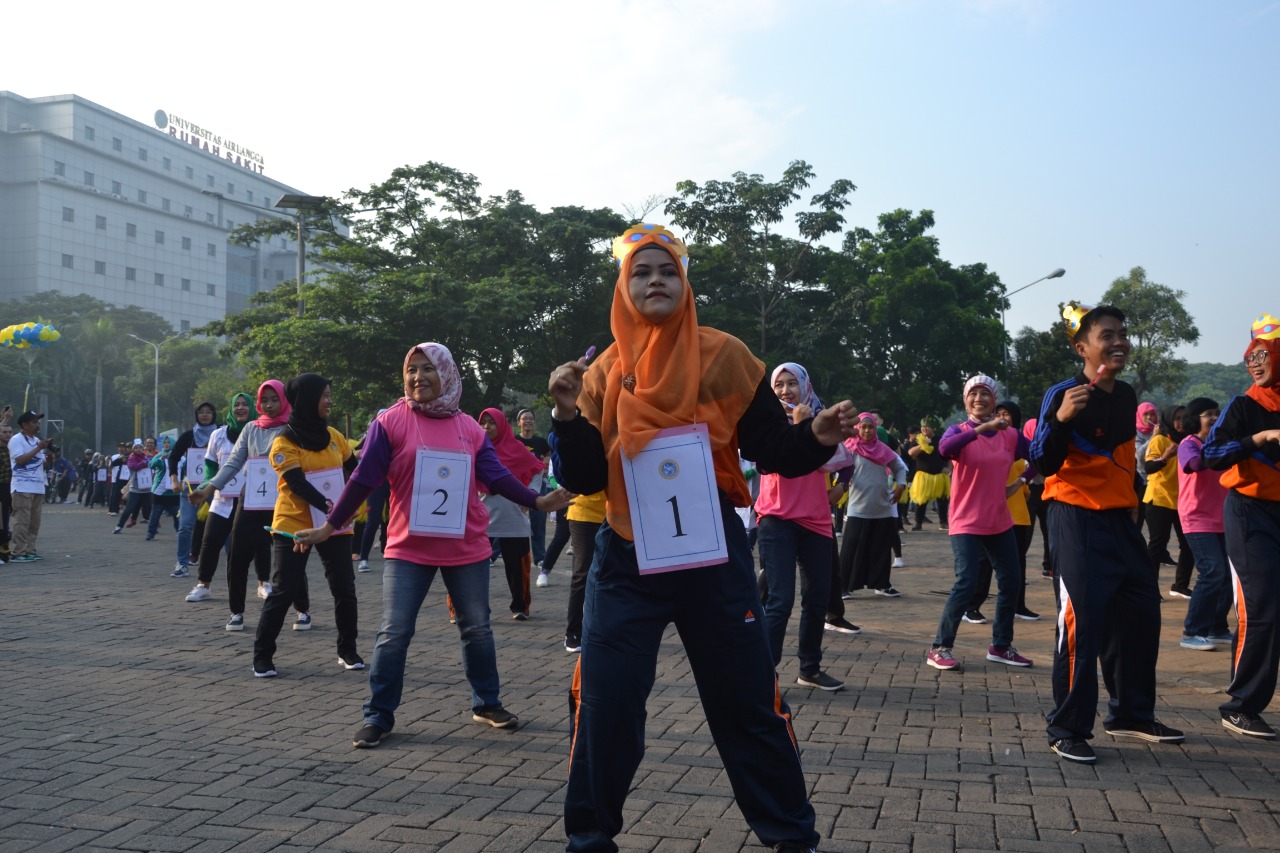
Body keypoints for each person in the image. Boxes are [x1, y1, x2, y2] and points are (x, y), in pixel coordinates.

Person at [548, 223, 857, 853]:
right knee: (605, 704)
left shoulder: (726, 356)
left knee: (746, 704)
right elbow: (582, 477)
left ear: (685, 282)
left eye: (667, 270)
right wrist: (565, 414)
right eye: (642, 272)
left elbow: (772, 449)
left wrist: (816, 437)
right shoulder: (601, 373)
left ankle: (792, 836)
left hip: (711, 551)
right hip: (625, 556)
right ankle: (588, 837)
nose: (656, 280)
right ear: (623, 287)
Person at [294, 343, 573, 746]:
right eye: (412, 370)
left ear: (447, 374)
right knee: (394, 632)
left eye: (428, 369)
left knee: (477, 629)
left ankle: (487, 703)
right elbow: (363, 480)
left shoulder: (470, 428)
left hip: (466, 548)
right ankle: (378, 715)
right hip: (409, 548)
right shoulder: (390, 422)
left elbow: (496, 476)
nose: (418, 377)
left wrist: (538, 501)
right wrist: (331, 525)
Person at [1030, 302, 1184, 764]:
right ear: (1083, 347)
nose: (1118, 342)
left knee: (1140, 615)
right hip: (1074, 516)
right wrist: (1059, 420)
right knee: (1081, 622)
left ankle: (1131, 714)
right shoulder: (1064, 392)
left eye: (1122, 334)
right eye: (1107, 335)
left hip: (1121, 520)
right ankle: (1067, 727)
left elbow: (1124, 462)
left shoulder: (1127, 393)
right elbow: (1042, 459)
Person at [252, 374, 360, 677]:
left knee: (344, 589)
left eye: (330, 394)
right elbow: (296, 483)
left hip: (335, 524)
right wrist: (331, 506)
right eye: (324, 395)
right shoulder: (283, 441)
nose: (329, 401)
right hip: (294, 524)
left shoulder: (335, 436)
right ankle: (262, 656)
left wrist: (347, 507)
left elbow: (355, 470)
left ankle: (347, 650)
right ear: (307, 400)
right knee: (284, 590)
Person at [1203, 313, 1280, 739]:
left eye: (1264, 355)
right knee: (1262, 606)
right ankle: (1242, 705)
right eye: (1251, 356)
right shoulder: (1245, 405)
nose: (1255, 363)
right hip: (1250, 513)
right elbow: (1210, 455)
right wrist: (1258, 439)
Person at [926, 377, 1036, 672]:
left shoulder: (1010, 435)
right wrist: (981, 429)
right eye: (972, 393)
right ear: (965, 401)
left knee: (1012, 581)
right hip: (965, 520)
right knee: (967, 582)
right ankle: (940, 648)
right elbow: (944, 450)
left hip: (999, 520)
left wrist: (1021, 480)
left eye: (984, 393)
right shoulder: (958, 431)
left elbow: (1038, 455)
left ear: (994, 399)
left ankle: (1001, 646)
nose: (978, 398)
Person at [758, 361, 849, 692]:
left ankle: (810, 669)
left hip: (817, 520)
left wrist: (841, 486)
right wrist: (799, 430)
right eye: (779, 385)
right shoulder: (767, 426)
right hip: (776, 518)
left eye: (791, 383)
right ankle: (763, 675)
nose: (785, 390)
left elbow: (841, 459)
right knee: (780, 600)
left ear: (805, 386)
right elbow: (773, 463)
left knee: (818, 597)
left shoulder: (822, 420)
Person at [190, 380, 292, 631]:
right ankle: (236, 611)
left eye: (274, 399)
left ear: (284, 400)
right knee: (237, 555)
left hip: (284, 500)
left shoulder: (293, 429)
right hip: (251, 499)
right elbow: (233, 463)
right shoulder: (251, 429)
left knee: (289, 557)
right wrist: (209, 488)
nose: (269, 405)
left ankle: (302, 609)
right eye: (264, 400)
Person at [184, 392, 256, 604]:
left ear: (252, 408)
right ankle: (203, 585)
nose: (241, 408)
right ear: (231, 408)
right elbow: (210, 467)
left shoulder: (258, 432)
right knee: (210, 540)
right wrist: (206, 486)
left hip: (250, 500)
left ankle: (262, 584)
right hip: (221, 499)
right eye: (237, 405)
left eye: (245, 404)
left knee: (249, 546)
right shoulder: (218, 435)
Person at [1175, 396, 1233, 651]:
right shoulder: (1189, 444)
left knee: (1229, 575)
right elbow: (1194, 464)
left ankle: (1217, 628)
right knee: (1213, 571)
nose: (1214, 417)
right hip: (1196, 517)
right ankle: (1192, 631)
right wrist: (1221, 449)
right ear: (1194, 419)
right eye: (1209, 414)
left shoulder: (1220, 444)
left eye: (1217, 413)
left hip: (1223, 517)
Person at [478, 408, 546, 620]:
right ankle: (464, 608)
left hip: (513, 516)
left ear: (502, 425)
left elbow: (538, 469)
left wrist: (531, 495)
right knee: (469, 568)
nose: (487, 427)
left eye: (492, 423)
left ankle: (520, 606)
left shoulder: (517, 448)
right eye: (483, 423)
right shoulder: (475, 448)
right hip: (480, 518)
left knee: (518, 567)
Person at [837, 413, 908, 598]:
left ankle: (882, 584)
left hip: (882, 507)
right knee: (850, 549)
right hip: (858, 508)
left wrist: (901, 485)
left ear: (875, 429)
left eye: (870, 427)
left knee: (881, 548)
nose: (867, 430)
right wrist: (843, 481)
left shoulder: (883, 450)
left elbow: (900, 468)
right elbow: (837, 468)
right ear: (858, 428)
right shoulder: (850, 448)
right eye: (864, 427)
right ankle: (842, 586)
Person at [1143, 405, 1195, 596]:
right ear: (1168, 420)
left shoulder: (1189, 441)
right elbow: (1148, 467)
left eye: (1184, 418)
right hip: (1159, 499)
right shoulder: (1160, 440)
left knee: (1188, 544)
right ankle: (1149, 588)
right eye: (1177, 418)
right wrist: (1166, 456)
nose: (1181, 422)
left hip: (1181, 500)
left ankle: (1180, 586)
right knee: (1157, 545)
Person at [170, 402, 218, 578]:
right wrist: (174, 479)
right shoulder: (188, 436)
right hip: (191, 487)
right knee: (185, 525)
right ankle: (182, 564)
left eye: (209, 412)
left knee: (225, 524)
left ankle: (235, 564)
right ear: (196, 415)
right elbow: (173, 458)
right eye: (201, 412)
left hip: (215, 486)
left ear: (214, 414)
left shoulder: (220, 434)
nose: (205, 415)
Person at [8, 411, 51, 562]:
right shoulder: (16, 440)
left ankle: (30, 550)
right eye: (34, 422)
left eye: (37, 422)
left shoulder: (35, 440)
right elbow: (20, 460)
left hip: (38, 486)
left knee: (34, 521)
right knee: (21, 520)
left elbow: (42, 463)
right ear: (24, 425)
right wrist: (39, 448)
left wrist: (50, 454)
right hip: (22, 487)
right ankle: (18, 551)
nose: (37, 425)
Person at [516, 408, 552, 571]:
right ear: (519, 423)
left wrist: (544, 466)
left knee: (538, 522)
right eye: (525, 418)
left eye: (531, 418)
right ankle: (495, 554)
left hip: (538, 485)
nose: (528, 421)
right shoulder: (513, 441)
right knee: (512, 518)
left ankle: (539, 557)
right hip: (516, 485)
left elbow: (548, 456)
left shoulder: (541, 443)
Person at [907, 416, 950, 530]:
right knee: (921, 500)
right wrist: (923, 445)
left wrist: (948, 468)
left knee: (942, 500)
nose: (924, 430)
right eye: (923, 427)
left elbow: (949, 456)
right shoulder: (917, 439)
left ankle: (943, 522)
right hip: (923, 476)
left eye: (927, 427)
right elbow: (911, 453)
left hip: (939, 475)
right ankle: (918, 523)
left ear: (934, 428)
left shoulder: (941, 439)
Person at [113, 440, 153, 534]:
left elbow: (153, 466)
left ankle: (152, 528)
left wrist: (151, 460)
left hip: (147, 488)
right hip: (136, 489)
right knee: (129, 509)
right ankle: (119, 526)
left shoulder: (147, 457)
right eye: (136, 448)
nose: (138, 449)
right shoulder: (131, 458)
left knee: (151, 509)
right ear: (133, 449)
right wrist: (145, 461)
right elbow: (135, 467)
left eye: (140, 448)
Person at [146, 437, 180, 540]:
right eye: (165, 443)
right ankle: (150, 533)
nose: (166, 444)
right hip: (159, 492)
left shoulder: (180, 457)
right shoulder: (159, 455)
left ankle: (180, 533)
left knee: (177, 515)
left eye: (169, 442)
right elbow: (151, 465)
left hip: (174, 492)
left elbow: (186, 469)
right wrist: (161, 458)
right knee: (155, 514)